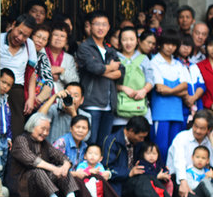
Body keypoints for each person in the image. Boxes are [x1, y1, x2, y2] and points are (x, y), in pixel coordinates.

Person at [101, 117, 191, 197]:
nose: (142, 140)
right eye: (140, 137)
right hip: (119, 182)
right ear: (130, 131)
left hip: (135, 178)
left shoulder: (137, 142)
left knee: (149, 178)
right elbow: (107, 168)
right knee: (143, 181)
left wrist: (161, 169)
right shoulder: (112, 141)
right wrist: (129, 172)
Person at [53, 115, 134, 197]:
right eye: (77, 127)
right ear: (71, 128)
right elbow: (54, 169)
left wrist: (104, 173)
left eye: (84, 128)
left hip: (81, 180)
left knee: (97, 176)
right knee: (78, 179)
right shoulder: (62, 142)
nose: (80, 131)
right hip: (64, 183)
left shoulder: (85, 147)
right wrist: (75, 174)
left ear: (88, 131)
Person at [7, 112, 81, 197]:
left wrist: (65, 165)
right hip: (22, 187)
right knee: (38, 170)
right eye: (42, 129)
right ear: (32, 127)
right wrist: (54, 169)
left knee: (62, 168)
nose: (45, 132)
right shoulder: (21, 140)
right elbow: (32, 160)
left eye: (48, 130)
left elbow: (60, 156)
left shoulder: (44, 143)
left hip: (41, 187)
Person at [76, 11, 121, 145]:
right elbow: (94, 68)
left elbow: (121, 72)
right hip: (91, 103)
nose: (101, 28)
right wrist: (109, 68)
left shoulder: (110, 49)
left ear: (108, 27)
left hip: (109, 104)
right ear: (90, 26)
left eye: (104, 25)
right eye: (97, 24)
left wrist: (103, 70)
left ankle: (101, 167)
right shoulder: (85, 47)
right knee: (91, 141)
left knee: (104, 143)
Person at [165, 109, 213, 197]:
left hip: (199, 182)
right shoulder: (182, 137)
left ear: (209, 129)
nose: (197, 131)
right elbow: (179, 162)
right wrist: (183, 181)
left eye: (202, 128)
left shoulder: (207, 142)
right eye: (196, 126)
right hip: (178, 179)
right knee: (182, 187)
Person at [150, 29, 189, 161]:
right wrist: (178, 92)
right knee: (160, 147)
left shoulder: (178, 64)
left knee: (175, 148)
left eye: (173, 44)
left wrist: (170, 90)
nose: (170, 47)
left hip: (177, 113)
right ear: (161, 43)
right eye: (167, 43)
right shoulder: (154, 62)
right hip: (160, 113)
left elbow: (186, 87)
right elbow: (160, 88)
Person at [0, 14, 37, 137]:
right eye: (19, 32)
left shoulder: (29, 45)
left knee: (16, 129)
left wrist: (31, 98)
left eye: (25, 36)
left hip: (17, 90)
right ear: (13, 25)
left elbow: (31, 74)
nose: (20, 38)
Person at [114, 26, 154, 130]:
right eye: (124, 39)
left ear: (137, 41)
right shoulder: (114, 57)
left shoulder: (144, 58)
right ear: (119, 42)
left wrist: (144, 91)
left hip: (140, 106)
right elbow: (109, 82)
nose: (128, 43)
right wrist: (123, 88)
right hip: (120, 108)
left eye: (132, 39)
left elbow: (150, 80)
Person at [175, 35, 205, 124]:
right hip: (181, 109)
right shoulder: (175, 64)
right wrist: (187, 99)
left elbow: (202, 85)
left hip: (197, 108)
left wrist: (193, 98)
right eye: (183, 45)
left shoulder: (194, 66)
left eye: (189, 45)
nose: (186, 48)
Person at [46, 21, 79, 94]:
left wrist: (61, 71)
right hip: (40, 98)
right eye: (56, 35)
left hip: (61, 99)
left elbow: (75, 81)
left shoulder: (69, 58)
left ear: (66, 40)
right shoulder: (41, 52)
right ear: (50, 37)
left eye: (62, 36)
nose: (58, 38)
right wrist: (48, 74)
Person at [29, 23, 54, 110]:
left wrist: (38, 99)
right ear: (32, 35)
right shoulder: (22, 51)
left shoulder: (42, 57)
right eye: (38, 37)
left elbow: (49, 82)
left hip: (35, 101)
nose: (40, 41)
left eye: (44, 39)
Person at [0, 68, 14, 173]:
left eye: (8, 85)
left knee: (3, 166)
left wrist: (9, 137)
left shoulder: (5, 100)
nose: (5, 86)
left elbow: (7, 121)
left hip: (4, 138)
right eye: (3, 82)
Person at [196, 36, 213, 109]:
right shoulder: (199, 66)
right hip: (206, 109)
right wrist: (210, 104)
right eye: (210, 45)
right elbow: (197, 89)